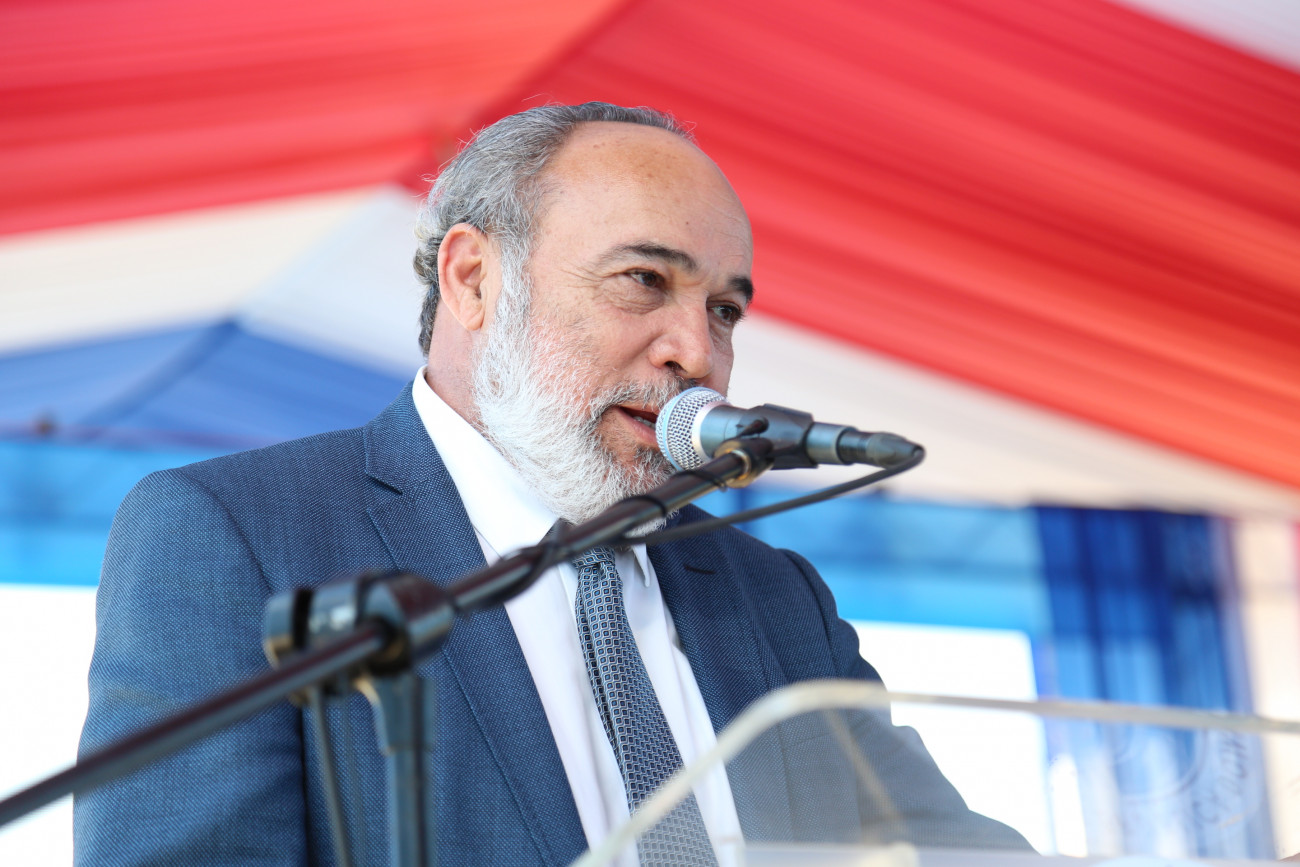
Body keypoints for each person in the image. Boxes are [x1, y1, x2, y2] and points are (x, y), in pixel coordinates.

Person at [75, 102, 1029, 865]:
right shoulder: (235, 533)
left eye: (724, 309)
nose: (697, 352)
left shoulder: (775, 596)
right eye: (644, 279)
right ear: (473, 280)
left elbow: (939, 846)